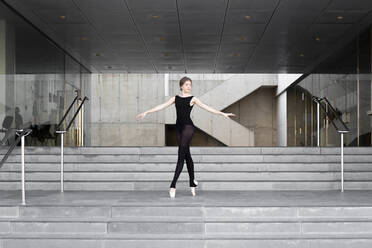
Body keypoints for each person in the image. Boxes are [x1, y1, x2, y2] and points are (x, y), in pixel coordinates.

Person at [136, 76, 235, 198]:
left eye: (190, 85)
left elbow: (207, 107)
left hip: (188, 128)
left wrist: (222, 114)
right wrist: (147, 112)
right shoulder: (175, 98)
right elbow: (161, 106)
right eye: (187, 84)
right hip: (179, 128)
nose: (189, 87)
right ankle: (192, 182)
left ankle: (173, 185)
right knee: (187, 155)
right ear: (181, 86)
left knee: (180, 155)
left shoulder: (193, 99)